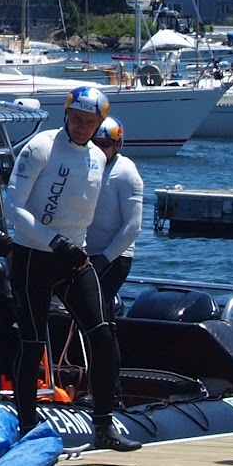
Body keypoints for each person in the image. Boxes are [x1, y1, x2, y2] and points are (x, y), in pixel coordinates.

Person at [4, 86, 139, 452]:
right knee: (32, 344)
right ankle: (27, 427)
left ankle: (104, 426)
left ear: (100, 123)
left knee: (102, 335)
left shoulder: (97, 156)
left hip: (74, 259)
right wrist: (54, 241)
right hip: (35, 254)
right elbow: (13, 206)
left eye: (90, 122)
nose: (81, 127)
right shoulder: (41, 147)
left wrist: (82, 250)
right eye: (76, 119)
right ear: (66, 115)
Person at [86, 117, 144, 321]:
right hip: (85, 254)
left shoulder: (125, 172)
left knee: (93, 312)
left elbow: (134, 225)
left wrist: (105, 259)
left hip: (113, 256)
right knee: (93, 314)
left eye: (105, 145)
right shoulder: (87, 166)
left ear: (117, 145)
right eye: (94, 143)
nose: (100, 149)